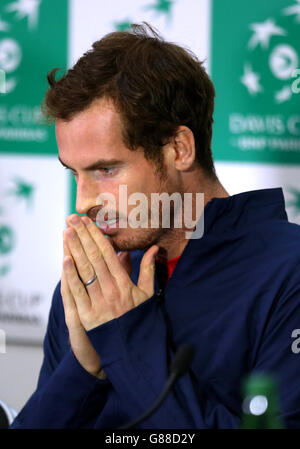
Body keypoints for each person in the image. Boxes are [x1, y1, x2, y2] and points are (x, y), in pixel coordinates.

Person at [11, 23, 300, 429]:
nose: (84, 203)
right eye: (74, 174)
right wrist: (82, 374)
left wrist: (126, 341)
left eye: (106, 169)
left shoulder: (289, 275)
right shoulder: (93, 284)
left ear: (179, 149)